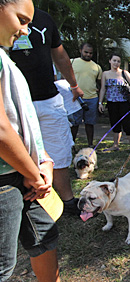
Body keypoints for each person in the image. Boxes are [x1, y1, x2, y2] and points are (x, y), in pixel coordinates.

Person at [0, 0, 60, 280]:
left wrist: (43, 160)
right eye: (22, 20)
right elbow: (1, 131)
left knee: (45, 239)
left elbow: (19, 122)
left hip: (24, 174)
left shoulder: (4, 57)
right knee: (3, 266)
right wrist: (33, 173)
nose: (26, 31)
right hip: (8, 180)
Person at [10, 8, 84, 216]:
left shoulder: (44, 18)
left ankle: (67, 202)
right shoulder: (4, 18)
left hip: (50, 99)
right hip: (16, 101)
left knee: (59, 152)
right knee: (17, 153)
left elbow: (59, 55)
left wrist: (74, 85)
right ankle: (22, 202)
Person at [98, 53, 130, 153]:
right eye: (114, 60)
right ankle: (115, 145)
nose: (116, 63)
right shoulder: (105, 74)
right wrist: (100, 103)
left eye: (118, 61)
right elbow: (103, 89)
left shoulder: (124, 73)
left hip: (125, 103)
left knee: (127, 124)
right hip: (111, 102)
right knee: (114, 124)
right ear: (110, 61)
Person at [70, 42, 102, 147]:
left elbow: (100, 83)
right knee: (74, 124)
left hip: (92, 99)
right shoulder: (72, 62)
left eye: (90, 53)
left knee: (90, 123)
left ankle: (90, 144)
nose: (88, 55)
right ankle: (72, 144)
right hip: (75, 98)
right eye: (86, 52)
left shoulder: (96, 67)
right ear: (80, 51)